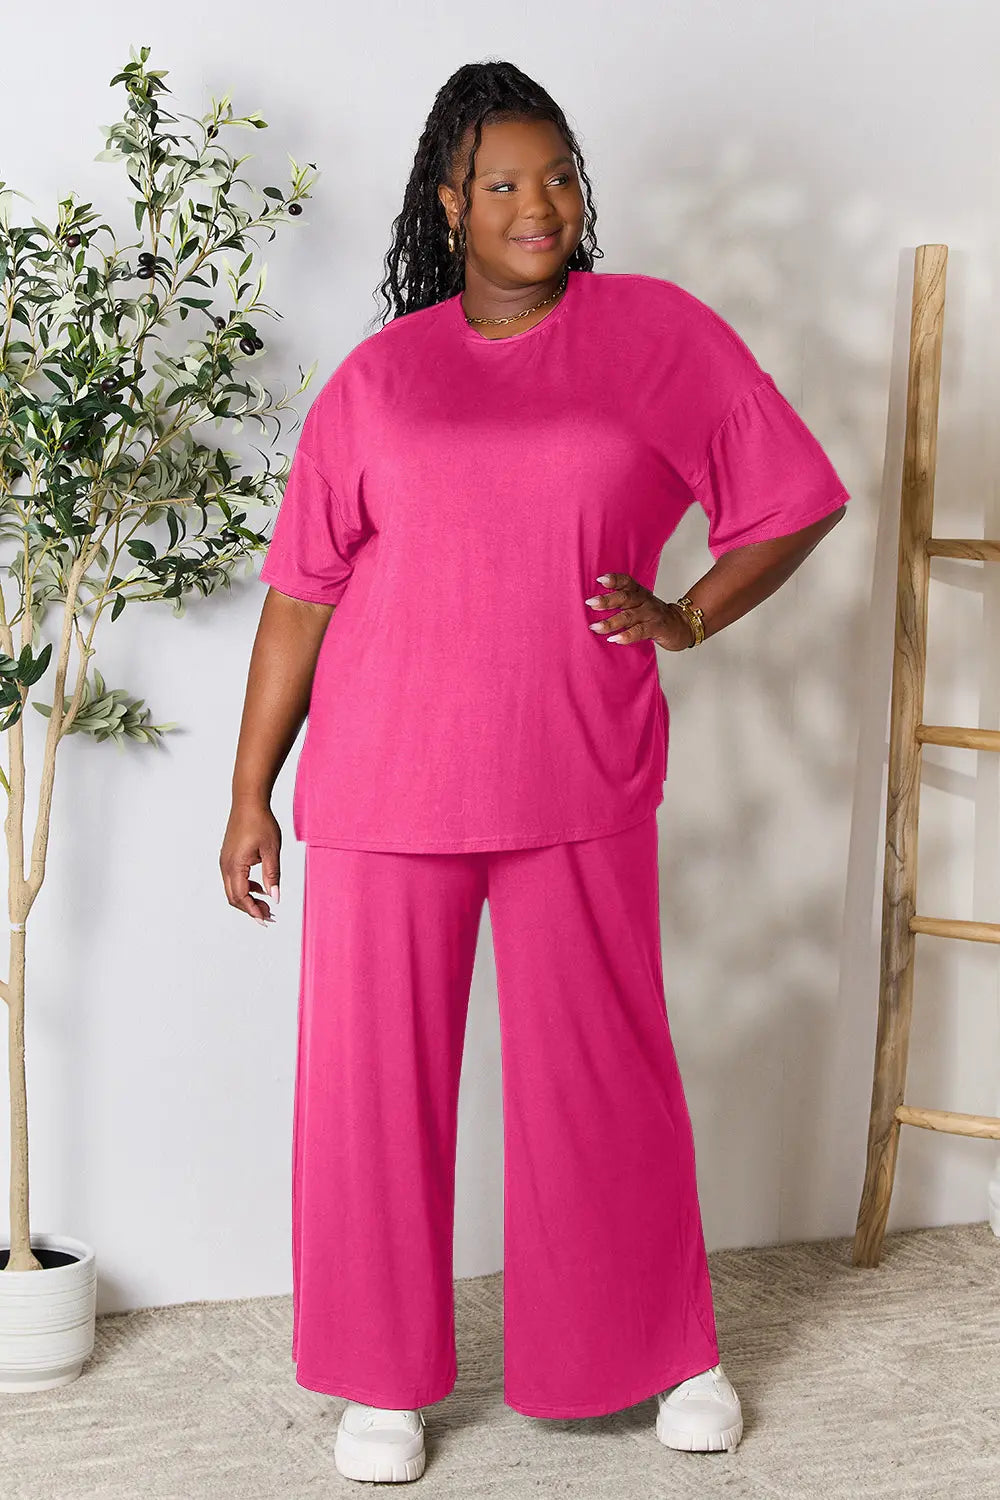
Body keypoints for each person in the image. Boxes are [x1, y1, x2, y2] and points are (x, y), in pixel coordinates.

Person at [220, 59, 849, 1485]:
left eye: (559, 175)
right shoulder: (381, 378)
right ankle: (380, 1379)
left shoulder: (658, 336)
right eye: (502, 182)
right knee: (374, 1089)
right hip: (383, 781)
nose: (539, 205)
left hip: (576, 765)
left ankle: (663, 1349)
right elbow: (302, 600)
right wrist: (251, 790)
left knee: (602, 1075)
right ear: (449, 203)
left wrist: (688, 615)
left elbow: (791, 498)